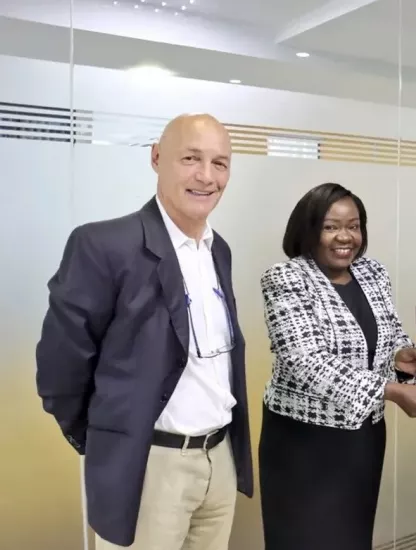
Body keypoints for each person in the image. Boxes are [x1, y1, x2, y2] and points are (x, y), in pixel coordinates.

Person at [35, 114, 253, 550]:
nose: (206, 176)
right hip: (149, 465)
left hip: (219, 458)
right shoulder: (105, 245)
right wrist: (108, 440)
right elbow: (61, 367)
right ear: (156, 158)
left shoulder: (218, 250)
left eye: (220, 163)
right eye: (190, 159)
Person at [258, 182, 416, 550]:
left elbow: (390, 333)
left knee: (351, 538)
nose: (345, 237)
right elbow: (304, 362)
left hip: (363, 439)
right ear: (309, 229)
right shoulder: (286, 278)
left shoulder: (372, 272)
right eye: (331, 227)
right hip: (304, 443)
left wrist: (401, 357)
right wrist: (390, 390)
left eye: (354, 226)